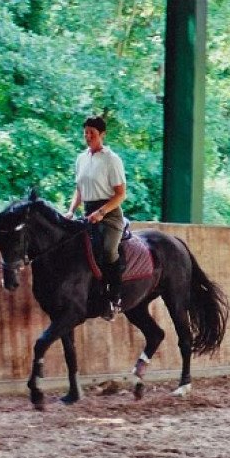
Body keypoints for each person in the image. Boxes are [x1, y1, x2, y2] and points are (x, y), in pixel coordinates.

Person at [64, 116, 126, 320]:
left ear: (102, 135)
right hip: (88, 213)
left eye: (92, 132)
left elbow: (120, 194)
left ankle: (114, 298)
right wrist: (71, 210)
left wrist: (101, 212)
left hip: (109, 215)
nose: (87, 135)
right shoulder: (81, 158)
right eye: (85, 132)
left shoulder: (111, 159)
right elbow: (79, 190)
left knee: (108, 250)